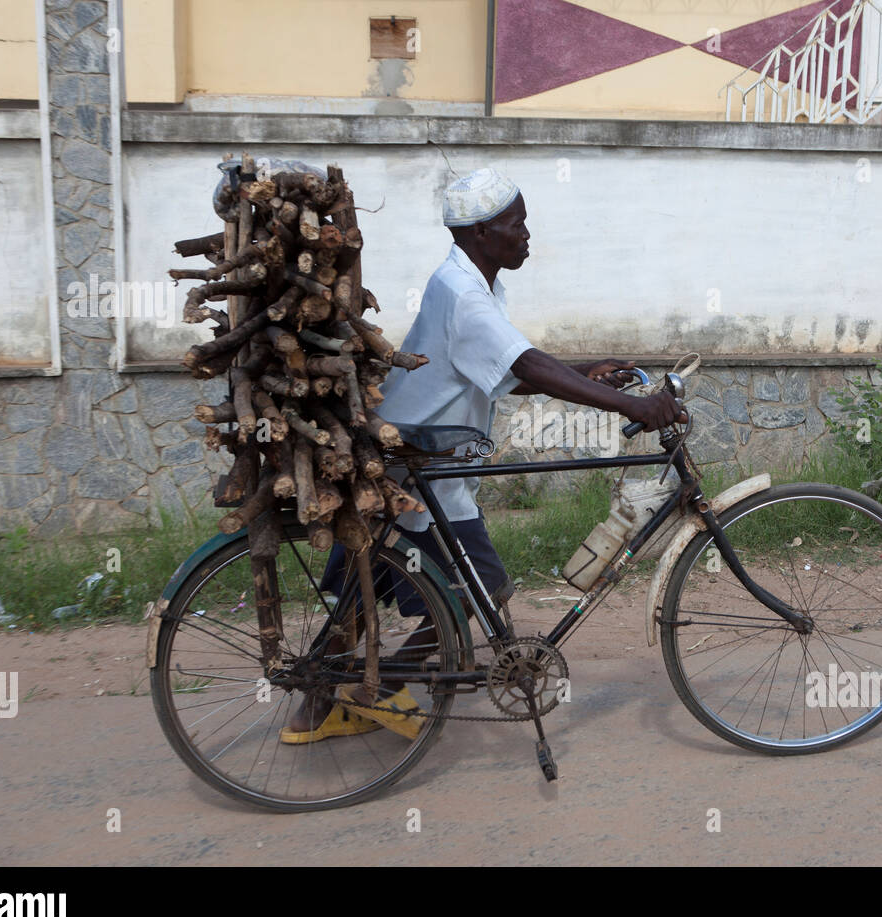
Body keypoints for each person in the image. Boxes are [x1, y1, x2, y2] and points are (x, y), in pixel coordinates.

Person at [280, 167, 683, 744]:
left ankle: (319, 708)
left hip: (417, 458)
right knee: (481, 590)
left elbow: (498, 368)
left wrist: (583, 375)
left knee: (369, 588)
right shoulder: (465, 293)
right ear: (480, 233)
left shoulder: (467, 282)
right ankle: (373, 690)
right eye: (515, 224)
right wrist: (629, 406)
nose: (525, 235)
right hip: (415, 465)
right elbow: (523, 364)